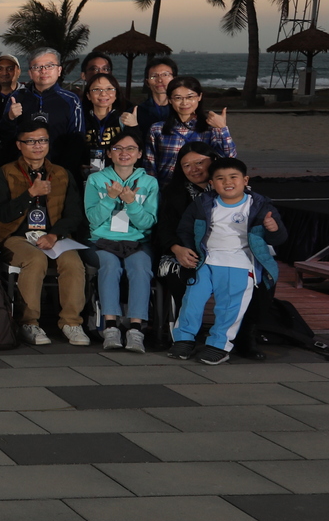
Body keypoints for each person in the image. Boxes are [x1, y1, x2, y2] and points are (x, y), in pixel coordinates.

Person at [169, 157, 287, 365]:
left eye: (233, 177)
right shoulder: (203, 204)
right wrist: (188, 249)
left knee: (229, 307)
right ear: (212, 184)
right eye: (220, 178)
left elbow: (279, 238)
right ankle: (184, 339)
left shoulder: (259, 205)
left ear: (245, 180)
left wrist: (273, 228)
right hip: (206, 261)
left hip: (240, 263)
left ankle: (218, 345)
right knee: (192, 302)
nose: (227, 182)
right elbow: (185, 229)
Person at [0, 118, 89, 346]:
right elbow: (2, 214)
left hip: (53, 236)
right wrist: (30, 193)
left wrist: (55, 235)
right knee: (35, 259)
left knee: (73, 262)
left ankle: (71, 323)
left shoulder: (62, 174)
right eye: (31, 141)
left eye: (43, 140)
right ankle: (30, 323)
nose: (38, 146)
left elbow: (74, 215)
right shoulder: (4, 173)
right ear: (19, 145)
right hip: (16, 237)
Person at [84, 132, 158, 354]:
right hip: (102, 241)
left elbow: (147, 224)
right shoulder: (96, 179)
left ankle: (136, 329)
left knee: (140, 268)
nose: (124, 153)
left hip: (136, 241)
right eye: (117, 148)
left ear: (139, 154)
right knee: (110, 267)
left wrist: (131, 204)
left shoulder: (149, 183)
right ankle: (110, 327)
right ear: (109, 153)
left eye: (130, 149)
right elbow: (93, 219)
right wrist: (109, 199)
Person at [1, 48, 87, 175]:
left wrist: (63, 172)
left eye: (49, 66)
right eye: (37, 67)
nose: (43, 71)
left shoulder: (71, 100)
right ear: (30, 73)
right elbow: (4, 137)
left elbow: (77, 140)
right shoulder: (17, 97)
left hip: (60, 170)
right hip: (22, 171)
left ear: (59, 70)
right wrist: (10, 118)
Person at [146, 76, 234, 184]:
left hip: (203, 192)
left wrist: (222, 128)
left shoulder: (211, 128)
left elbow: (229, 160)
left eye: (190, 97)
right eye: (178, 98)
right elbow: (150, 166)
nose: (184, 102)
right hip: (168, 191)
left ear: (199, 97)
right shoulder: (157, 129)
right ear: (169, 100)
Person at [156, 141, 216, 266]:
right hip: (185, 251)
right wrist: (176, 248)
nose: (194, 169)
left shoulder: (229, 189)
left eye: (199, 163)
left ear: (213, 160)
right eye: (186, 165)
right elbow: (164, 226)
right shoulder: (173, 192)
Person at [81, 74, 128, 176]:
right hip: (86, 177)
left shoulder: (124, 119)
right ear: (88, 95)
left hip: (117, 176)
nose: (103, 94)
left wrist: (134, 127)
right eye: (96, 89)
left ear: (116, 94)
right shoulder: (80, 119)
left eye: (109, 89)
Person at [129, 58, 176, 129]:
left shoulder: (183, 108)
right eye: (154, 76)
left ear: (174, 79)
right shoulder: (137, 112)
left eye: (165, 75)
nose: (160, 80)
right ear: (147, 82)